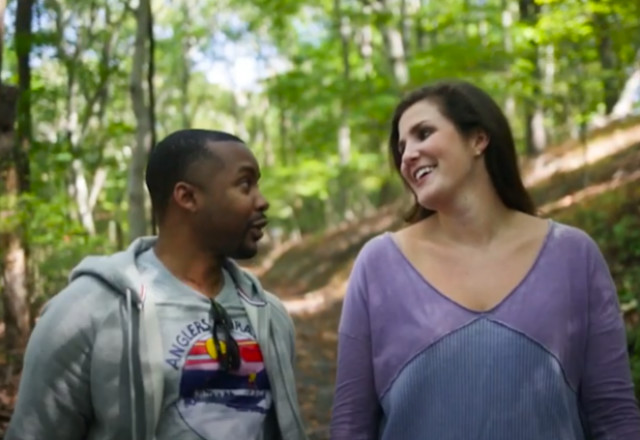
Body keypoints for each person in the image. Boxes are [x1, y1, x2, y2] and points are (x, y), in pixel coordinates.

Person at [329, 80, 640, 439]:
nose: (408, 155)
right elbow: (351, 422)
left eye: (423, 133)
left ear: (479, 138)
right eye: (401, 147)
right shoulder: (379, 264)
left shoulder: (573, 255)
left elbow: (613, 415)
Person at [6, 129, 308, 440]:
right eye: (245, 184)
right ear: (187, 197)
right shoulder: (84, 313)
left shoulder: (270, 315)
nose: (262, 201)